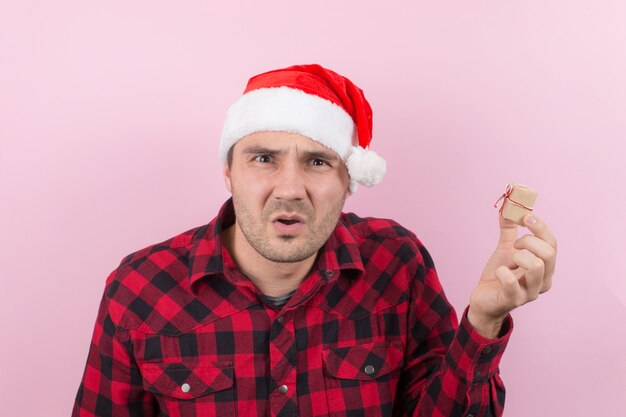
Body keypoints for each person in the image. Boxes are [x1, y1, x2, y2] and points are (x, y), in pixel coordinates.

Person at [72, 64, 557, 417]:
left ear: (349, 180)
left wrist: (484, 321)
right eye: (263, 158)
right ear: (227, 172)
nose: (289, 188)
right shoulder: (140, 288)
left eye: (318, 162)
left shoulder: (397, 262)